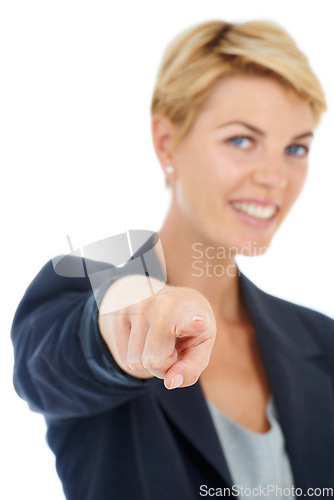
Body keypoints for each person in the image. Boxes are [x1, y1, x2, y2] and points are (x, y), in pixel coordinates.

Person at [11, 18, 334, 500]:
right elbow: (55, 360)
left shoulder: (322, 339)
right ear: (166, 142)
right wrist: (127, 310)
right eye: (241, 140)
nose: (275, 177)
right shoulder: (84, 281)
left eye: (295, 148)